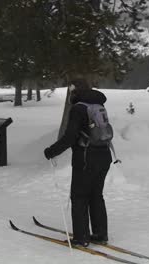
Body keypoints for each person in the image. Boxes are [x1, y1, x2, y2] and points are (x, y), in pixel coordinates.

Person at [43, 79, 119, 247]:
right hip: (104, 155)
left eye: (71, 91)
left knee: (79, 196)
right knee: (96, 195)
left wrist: (51, 151)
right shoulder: (98, 105)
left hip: (85, 159)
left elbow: (70, 137)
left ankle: (81, 238)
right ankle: (100, 234)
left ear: (75, 92)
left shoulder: (78, 109)